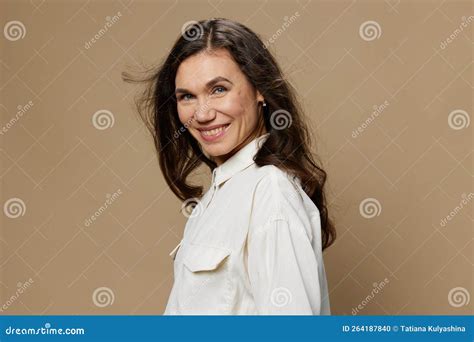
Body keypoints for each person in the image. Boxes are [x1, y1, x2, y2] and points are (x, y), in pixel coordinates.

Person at [123, 18, 336, 315]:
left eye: (219, 89)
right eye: (187, 96)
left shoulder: (269, 192)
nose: (203, 113)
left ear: (259, 88)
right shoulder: (220, 194)